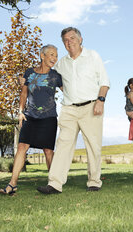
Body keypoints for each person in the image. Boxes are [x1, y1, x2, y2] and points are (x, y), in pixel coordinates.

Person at [37, 27, 110, 194]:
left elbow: (104, 81)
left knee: (93, 146)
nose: (69, 42)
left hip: (91, 107)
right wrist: (27, 78)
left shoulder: (93, 56)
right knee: (63, 144)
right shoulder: (61, 63)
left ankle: (94, 182)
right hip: (69, 109)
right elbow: (50, 77)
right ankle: (55, 184)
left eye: (72, 38)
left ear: (80, 39)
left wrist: (100, 100)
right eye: (65, 40)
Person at [0, 44, 63, 195]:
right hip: (30, 116)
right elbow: (24, 94)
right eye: (51, 55)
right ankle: (12, 184)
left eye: (56, 55)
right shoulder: (29, 73)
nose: (54, 58)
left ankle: (53, 184)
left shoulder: (56, 76)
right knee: (22, 147)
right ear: (42, 55)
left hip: (49, 117)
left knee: (48, 151)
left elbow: (69, 91)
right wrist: (20, 112)